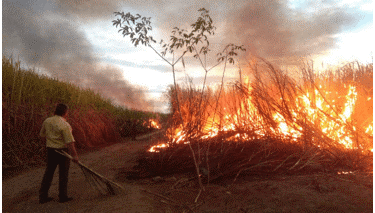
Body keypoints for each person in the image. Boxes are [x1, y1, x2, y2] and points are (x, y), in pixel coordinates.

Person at [39, 103, 79, 204]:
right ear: (65, 112)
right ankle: (62, 196)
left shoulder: (47, 121)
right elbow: (70, 142)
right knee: (63, 174)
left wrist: (49, 144)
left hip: (51, 150)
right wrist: (75, 156)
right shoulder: (65, 124)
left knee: (48, 173)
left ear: (56, 111)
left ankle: (43, 197)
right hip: (62, 151)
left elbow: (42, 135)